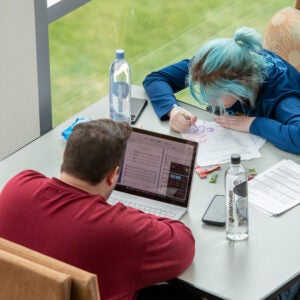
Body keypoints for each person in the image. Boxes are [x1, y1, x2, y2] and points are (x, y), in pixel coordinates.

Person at [0, 119, 196, 300]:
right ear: (113, 175)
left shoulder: (18, 185)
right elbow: (185, 246)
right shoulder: (122, 230)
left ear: (64, 157)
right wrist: (124, 214)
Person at [143, 26, 300, 154]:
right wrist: (173, 109)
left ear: (241, 84)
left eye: (214, 95)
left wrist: (253, 123)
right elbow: (155, 79)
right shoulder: (211, 67)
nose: (207, 101)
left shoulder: (283, 97)